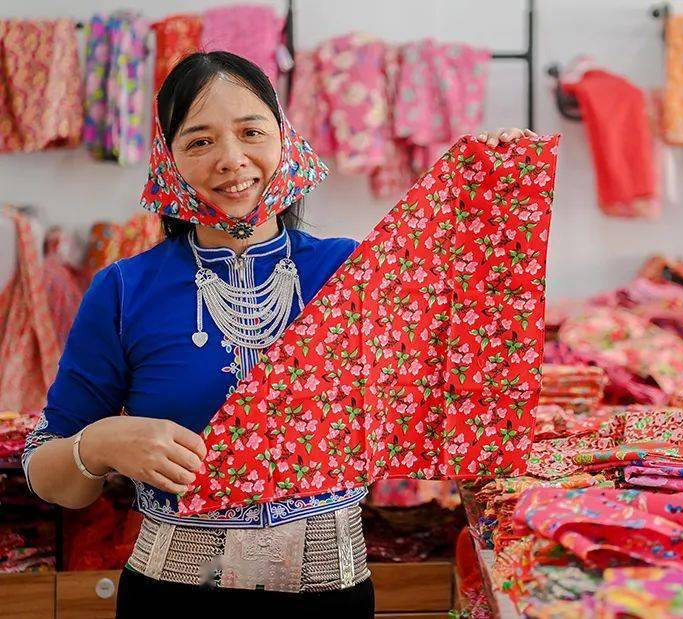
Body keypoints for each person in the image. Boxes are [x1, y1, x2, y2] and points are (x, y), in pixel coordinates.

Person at [22, 51, 534, 616]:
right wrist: (101, 444)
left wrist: (499, 189)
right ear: (168, 161)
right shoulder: (122, 289)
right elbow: (48, 475)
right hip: (171, 597)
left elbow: (469, 353)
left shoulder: (353, 274)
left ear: (285, 140)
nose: (232, 159)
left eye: (251, 131)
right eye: (199, 142)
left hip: (331, 594)